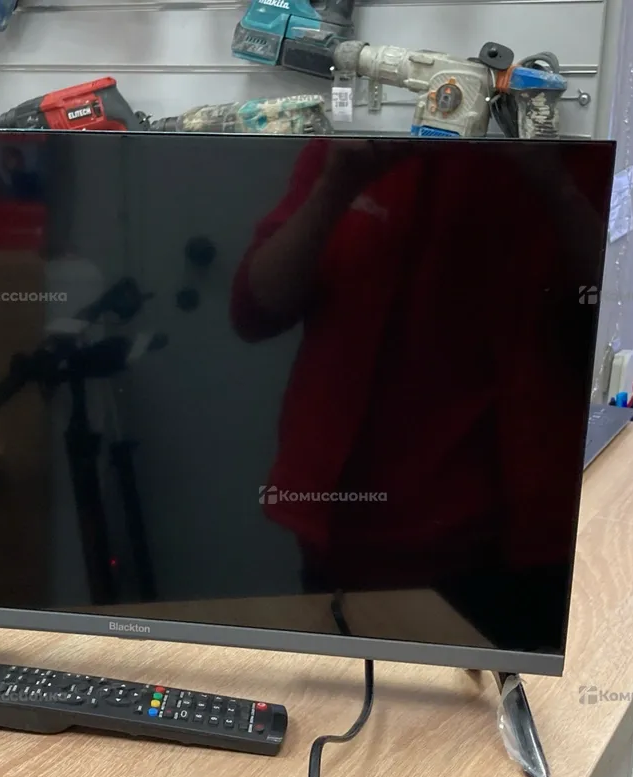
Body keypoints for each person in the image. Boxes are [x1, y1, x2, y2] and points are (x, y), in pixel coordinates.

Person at [230, 139, 608, 653]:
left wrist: (553, 183)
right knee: (339, 694)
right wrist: (336, 186)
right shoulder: (351, 143)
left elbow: (610, 319)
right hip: (343, 533)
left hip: (508, 549)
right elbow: (253, 310)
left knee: (490, 699)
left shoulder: (572, 154)